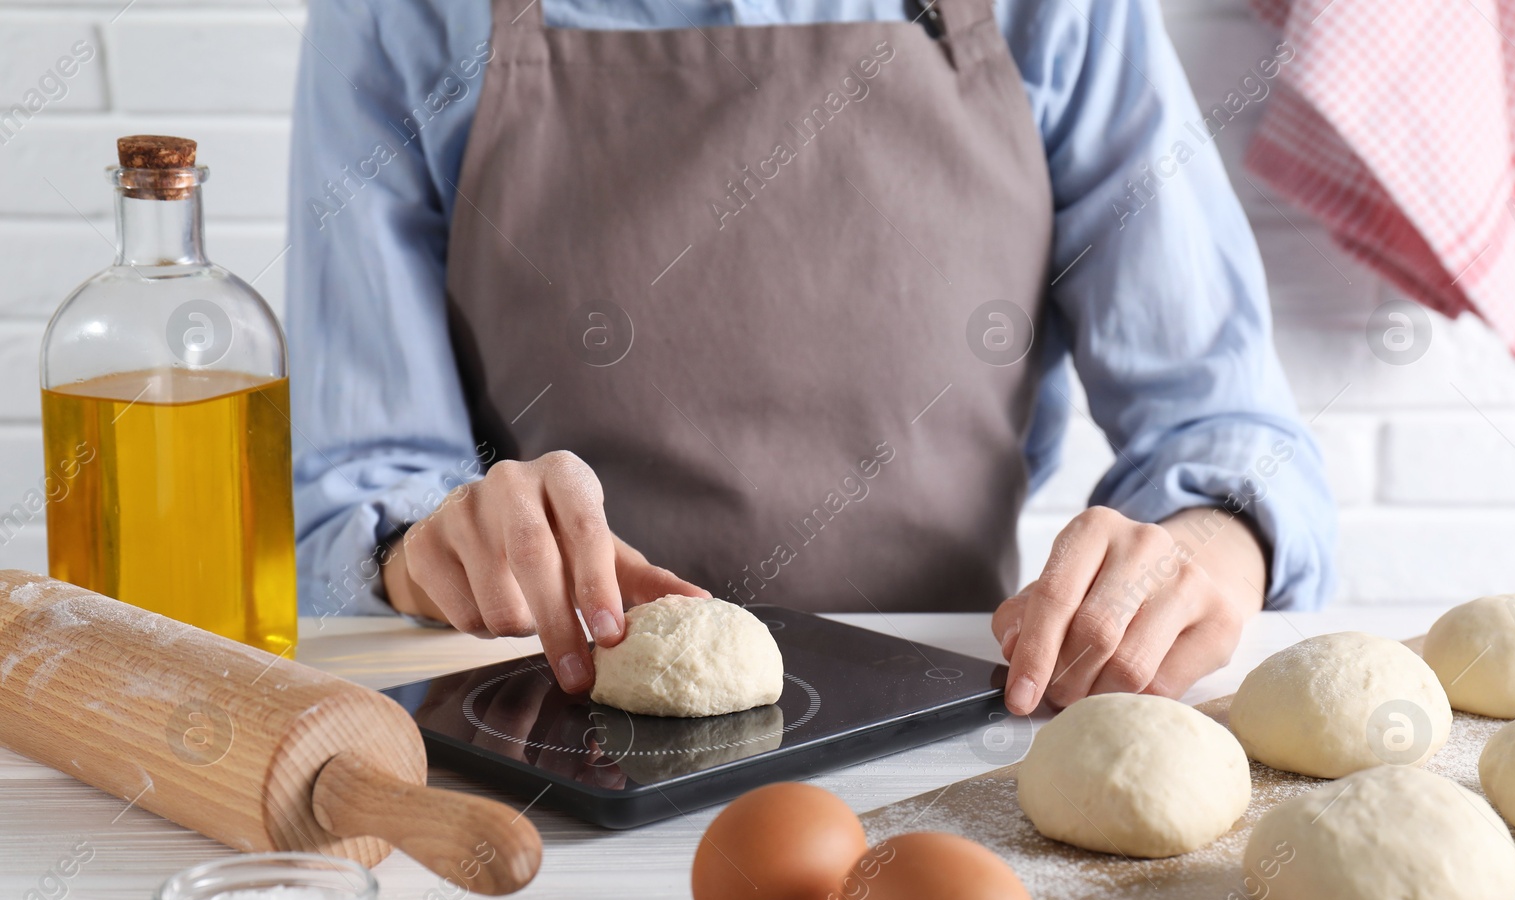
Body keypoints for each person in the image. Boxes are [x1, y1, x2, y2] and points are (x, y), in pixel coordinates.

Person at [287, 0, 1336, 718]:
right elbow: (359, 486)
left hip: (957, 740)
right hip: (545, 749)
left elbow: (1223, 429)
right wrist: (420, 546)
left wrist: (1205, 544)